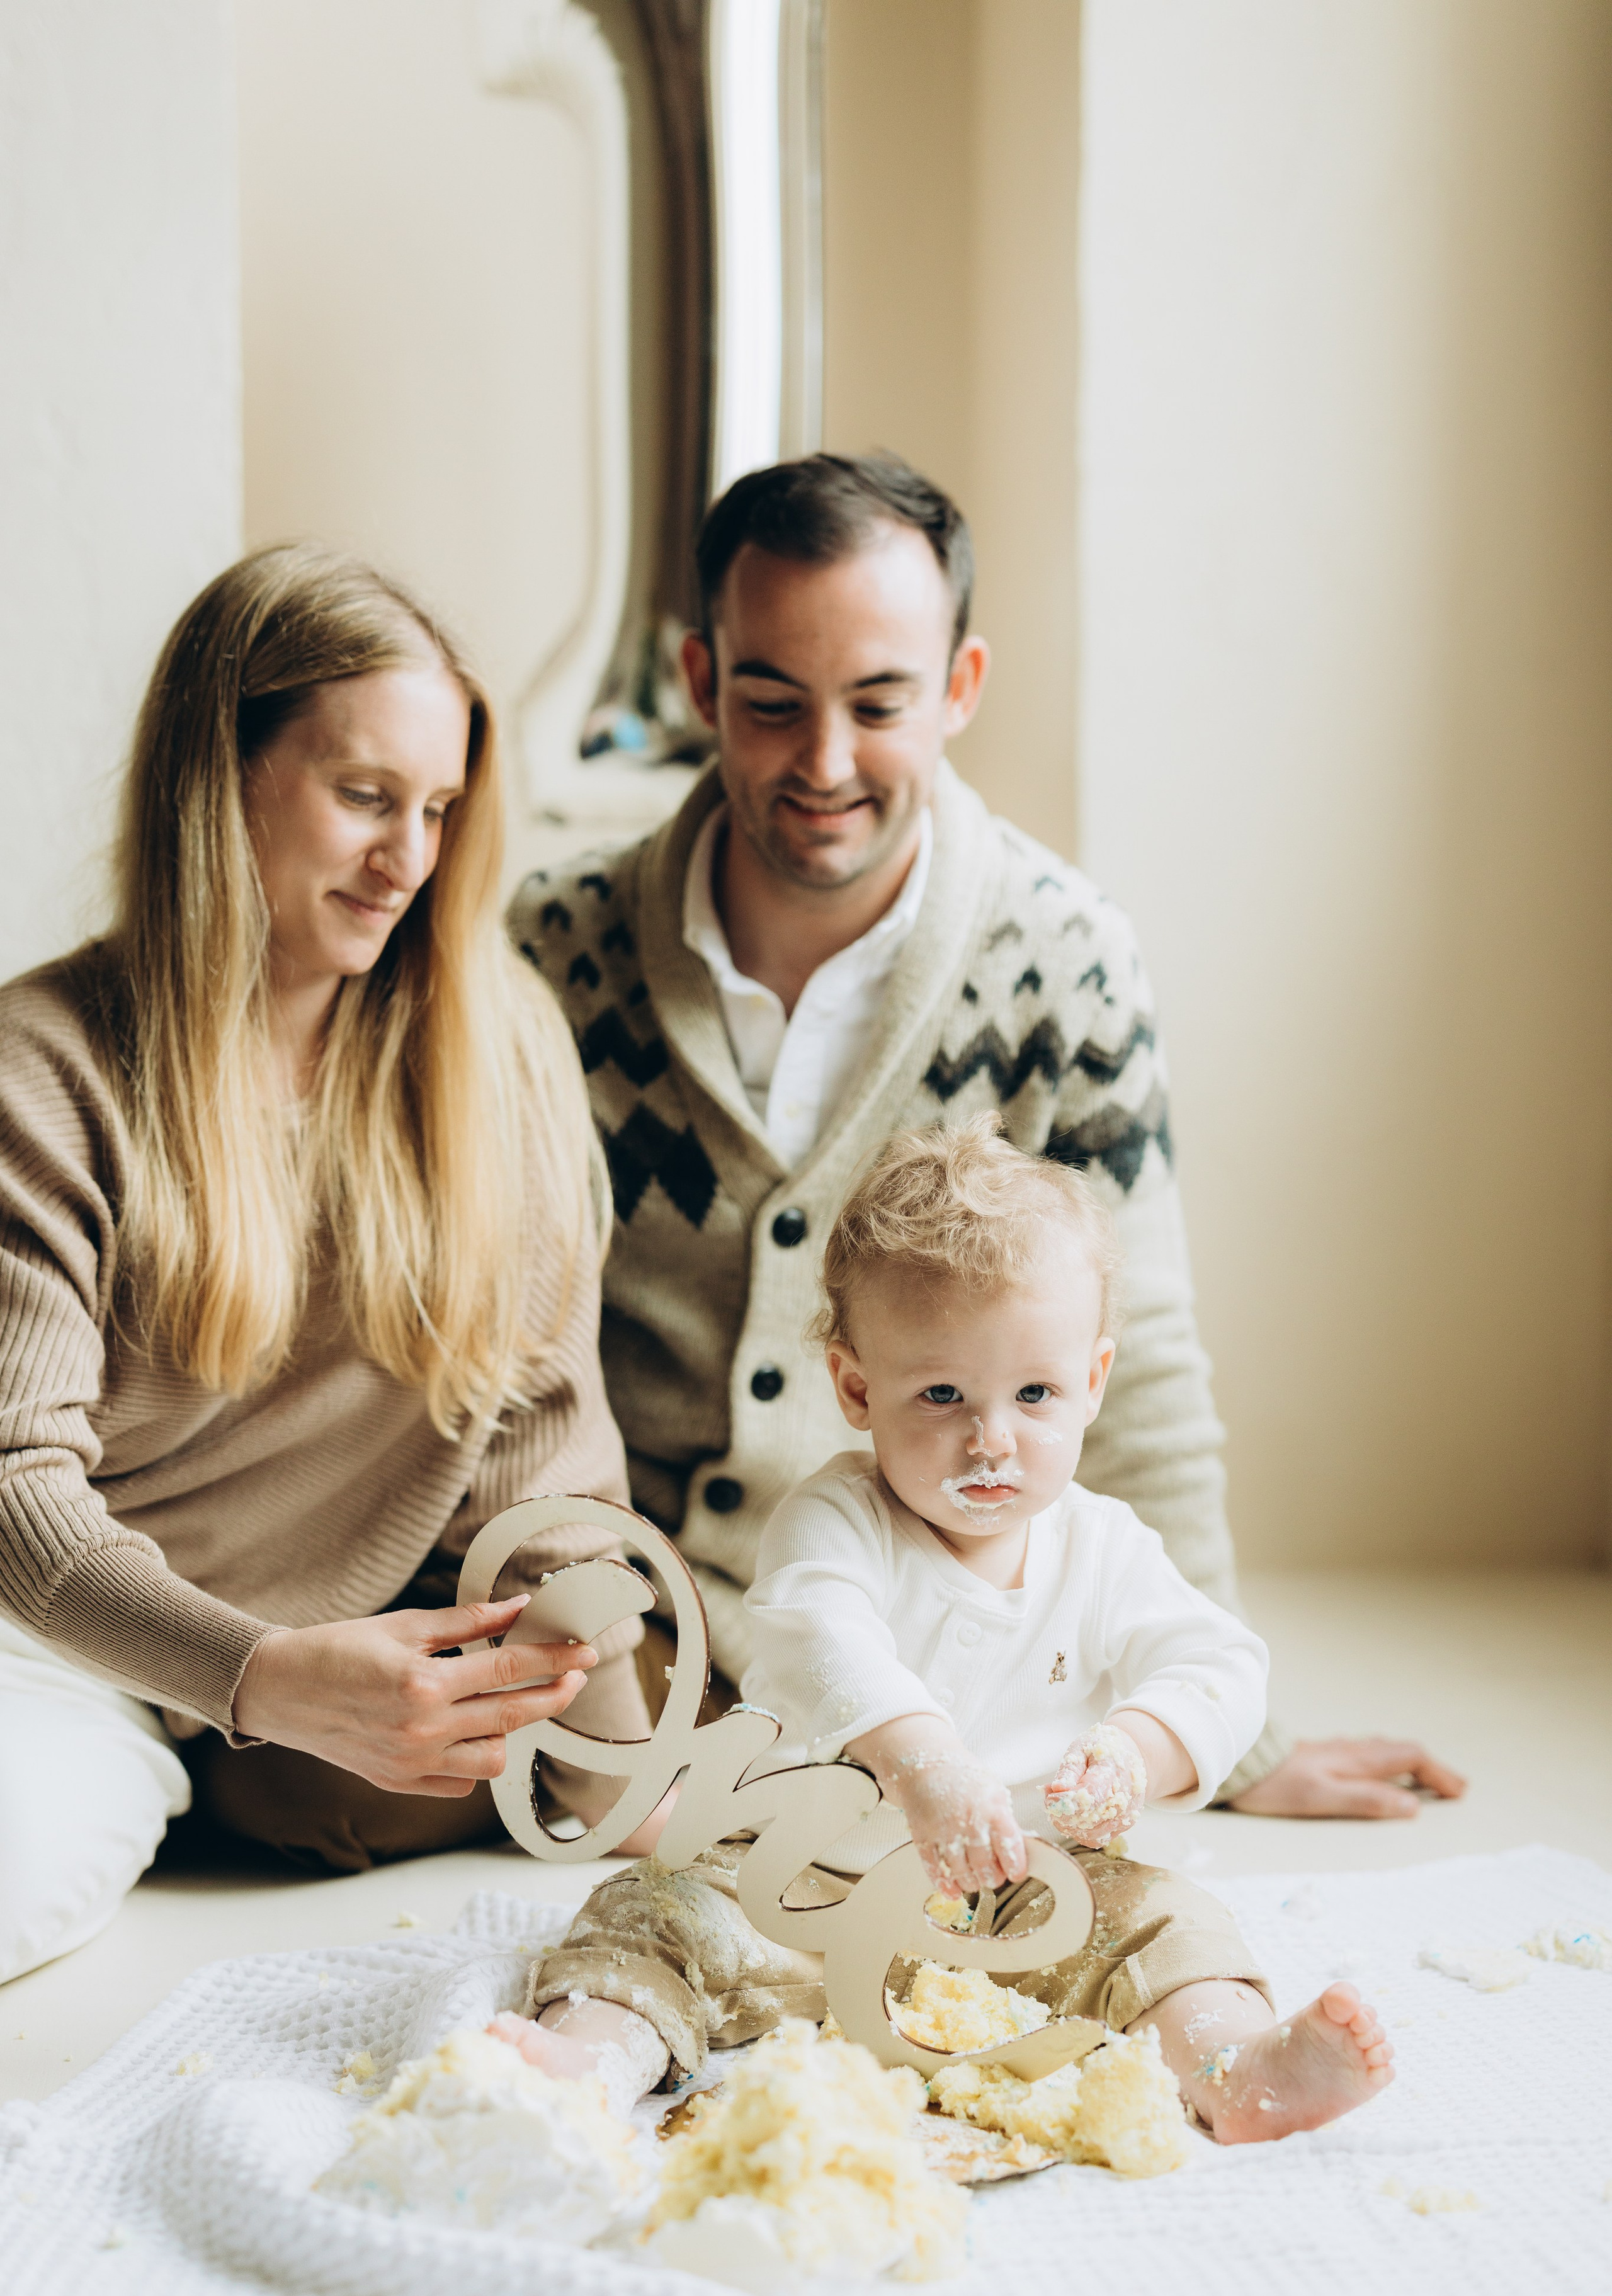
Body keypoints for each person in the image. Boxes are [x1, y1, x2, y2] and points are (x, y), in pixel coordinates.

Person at [509, 450, 1463, 1821]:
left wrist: (1229, 1749)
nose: (824, 764)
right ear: (701, 683)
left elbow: (1132, 1377)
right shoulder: (553, 952)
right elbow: (487, 1351)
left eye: (878, 705)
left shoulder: (1063, 961)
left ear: (958, 688)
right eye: (772, 703)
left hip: (934, 1658)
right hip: (626, 1636)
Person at [0, 545, 654, 1987]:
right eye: (365, 797)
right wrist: (257, 1678)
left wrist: (608, 1710)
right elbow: (16, 1499)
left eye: (436, 809)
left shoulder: (497, 1054)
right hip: (51, 1650)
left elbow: (541, 1444)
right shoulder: (44, 1071)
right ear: (219, 774)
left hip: (290, 1674)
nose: (406, 858)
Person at [496, 1120, 1394, 2142]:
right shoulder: (835, 1523)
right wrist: (920, 1762)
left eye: (1036, 1394)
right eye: (940, 1395)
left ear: (1093, 1382)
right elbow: (813, 1631)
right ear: (855, 1388)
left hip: (1035, 1894)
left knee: (1168, 1920)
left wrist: (1137, 1753)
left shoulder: (1103, 1548)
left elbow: (1220, 1662)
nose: (991, 1439)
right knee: (654, 1915)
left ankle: (1240, 2067)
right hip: (801, 1888)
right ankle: (593, 2055)